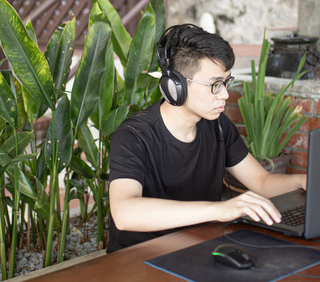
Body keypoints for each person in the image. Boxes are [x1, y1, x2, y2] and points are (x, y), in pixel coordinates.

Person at [107, 23, 307, 253]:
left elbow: (261, 182)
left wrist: (300, 182)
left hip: (197, 250)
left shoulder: (218, 126)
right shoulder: (134, 136)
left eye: (225, 82)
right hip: (139, 261)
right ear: (175, 87)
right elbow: (124, 212)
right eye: (215, 85)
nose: (225, 94)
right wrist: (218, 210)